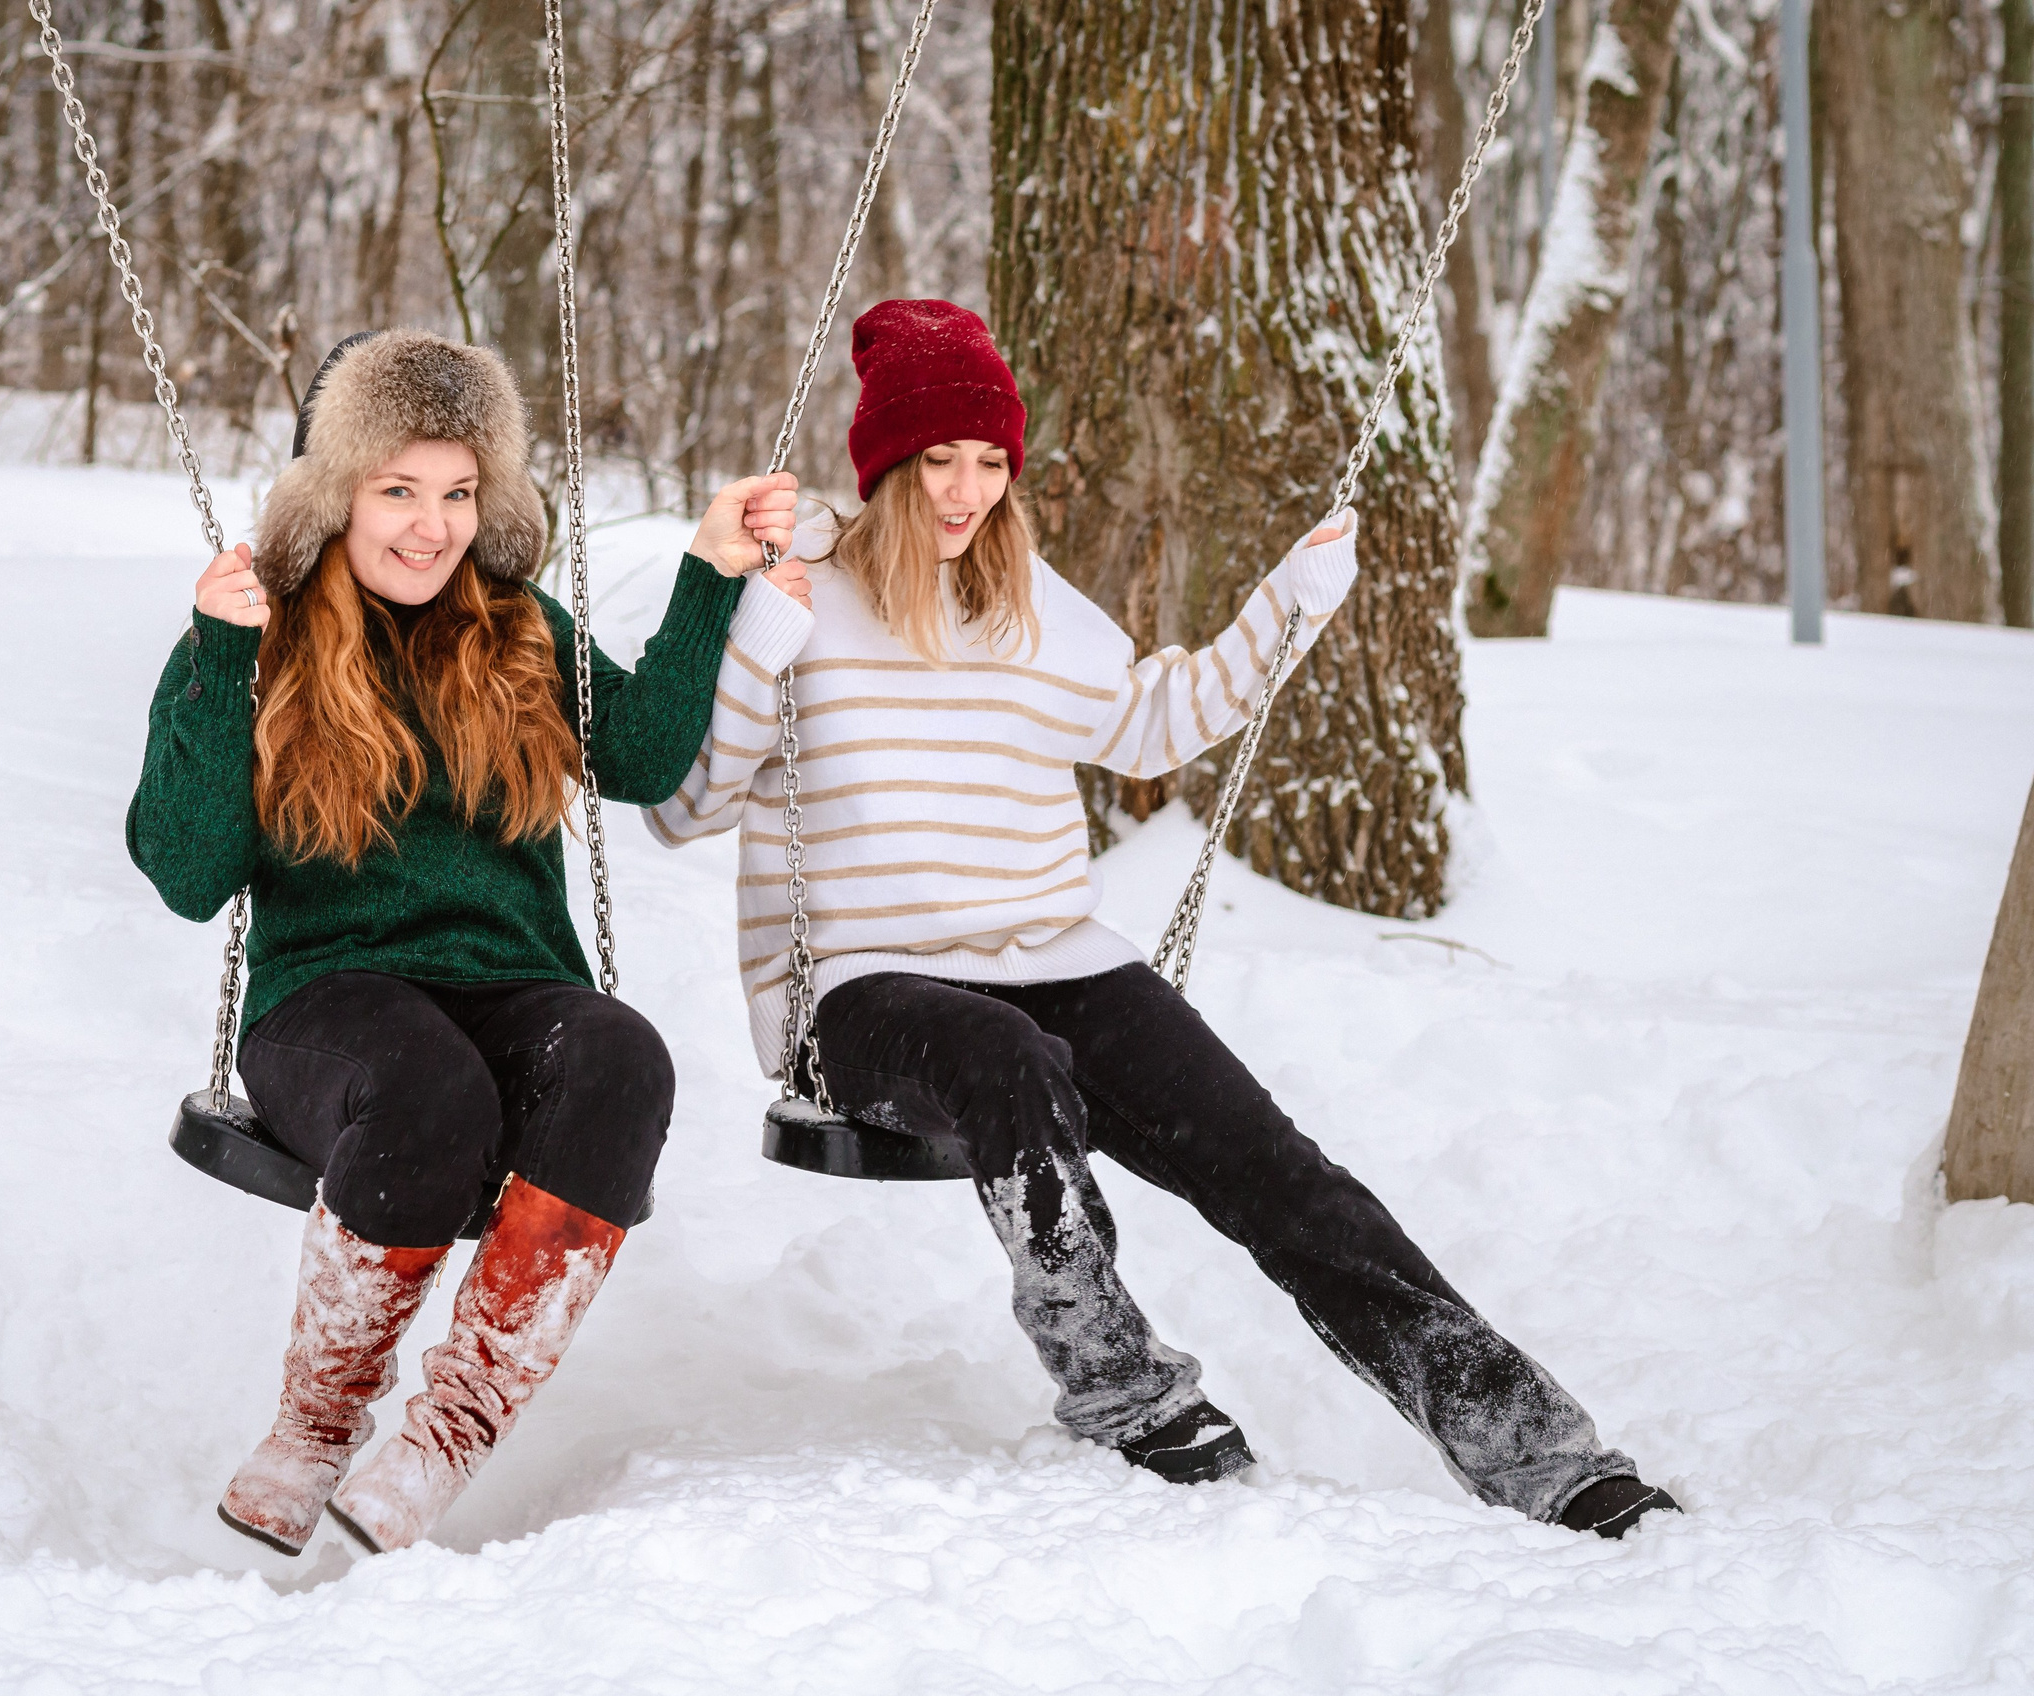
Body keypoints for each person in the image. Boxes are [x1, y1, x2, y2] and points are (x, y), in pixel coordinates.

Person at [652, 299, 1680, 1540]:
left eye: (989, 461)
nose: (965, 489)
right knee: (1008, 1066)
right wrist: (759, 621)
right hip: (868, 992)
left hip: (1055, 959)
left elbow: (1155, 719)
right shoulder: (798, 594)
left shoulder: (1034, 605)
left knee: (1283, 1174)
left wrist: (1286, 607)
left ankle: (1540, 1451)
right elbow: (688, 804)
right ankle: (1117, 1381)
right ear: (882, 463)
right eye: (936, 460)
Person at [129, 329, 797, 1557]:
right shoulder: (255, 632)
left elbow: (645, 755)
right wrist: (220, 661)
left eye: (455, 491)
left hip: (512, 985)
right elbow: (185, 870)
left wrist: (709, 571)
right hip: (326, 1004)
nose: (430, 527)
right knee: (426, 1085)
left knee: (622, 1057)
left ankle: (448, 1431)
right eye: (396, 491)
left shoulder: (518, 624)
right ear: (331, 495)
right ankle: (315, 1422)